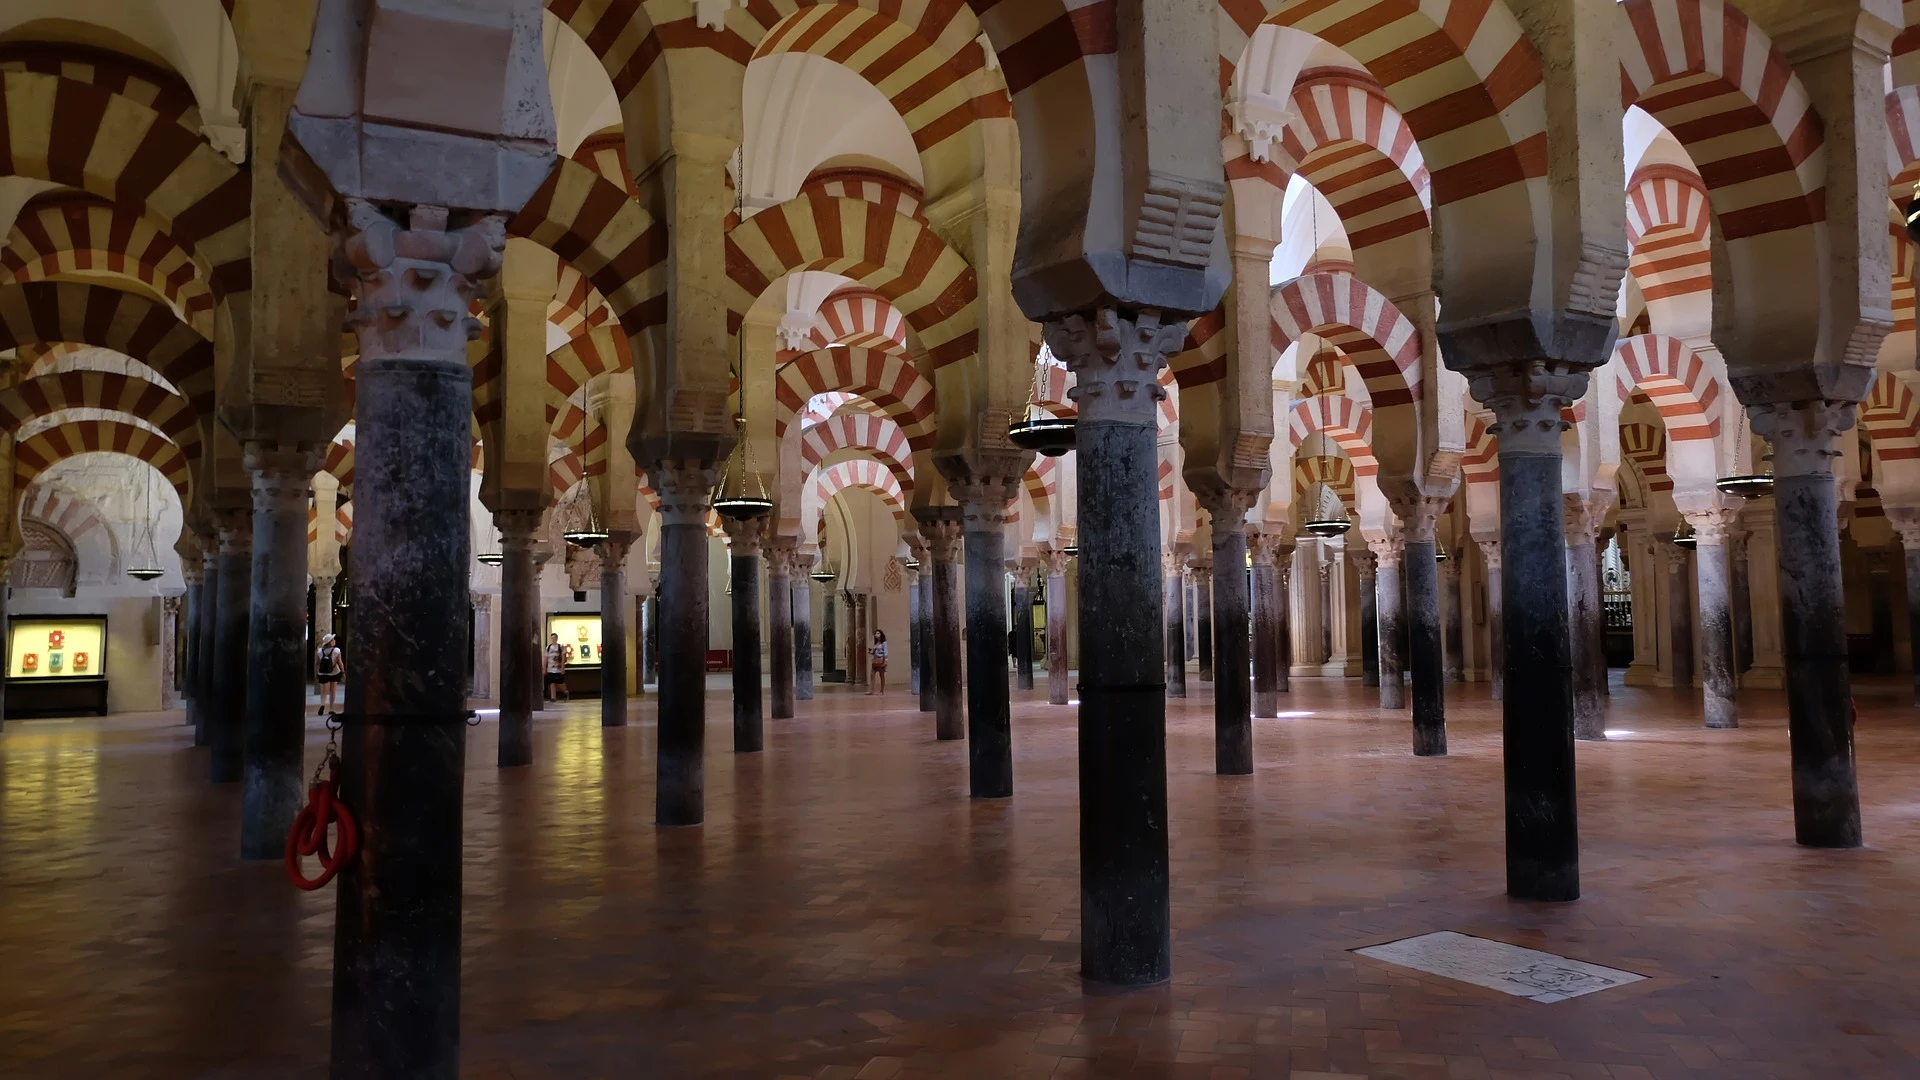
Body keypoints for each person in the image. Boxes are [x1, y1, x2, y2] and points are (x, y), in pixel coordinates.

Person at [315, 633, 344, 716]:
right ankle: (331, 709)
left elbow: (317, 663)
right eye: (333, 639)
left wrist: (316, 673)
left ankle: (322, 704)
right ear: (330, 642)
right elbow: (340, 663)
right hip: (334, 672)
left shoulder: (320, 651)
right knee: (333, 691)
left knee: (323, 691)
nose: (334, 640)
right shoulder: (337, 650)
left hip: (323, 673)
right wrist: (343, 672)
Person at [545, 632, 570, 702]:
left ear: (557, 639)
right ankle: (553, 697)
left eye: (554, 638)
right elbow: (545, 658)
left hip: (558, 668)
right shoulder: (548, 648)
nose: (553, 639)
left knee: (560, 682)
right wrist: (545, 668)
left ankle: (565, 692)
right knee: (552, 682)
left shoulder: (560, 647)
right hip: (550, 668)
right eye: (552, 638)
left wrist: (562, 667)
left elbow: (563, 658)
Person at [868, 629, 889, 696]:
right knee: (872, 675)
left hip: (880, 661)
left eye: (878, 633)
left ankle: (882, 691)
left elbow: (885, 652)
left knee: (881, 675)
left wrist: (885, 661)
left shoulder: (884, 643)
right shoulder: (876, 643)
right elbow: (874, 652)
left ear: (881, 634)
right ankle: (872, 690)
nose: (876, 635)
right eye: (876, 633)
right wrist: (870, 652)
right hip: (875, 661)